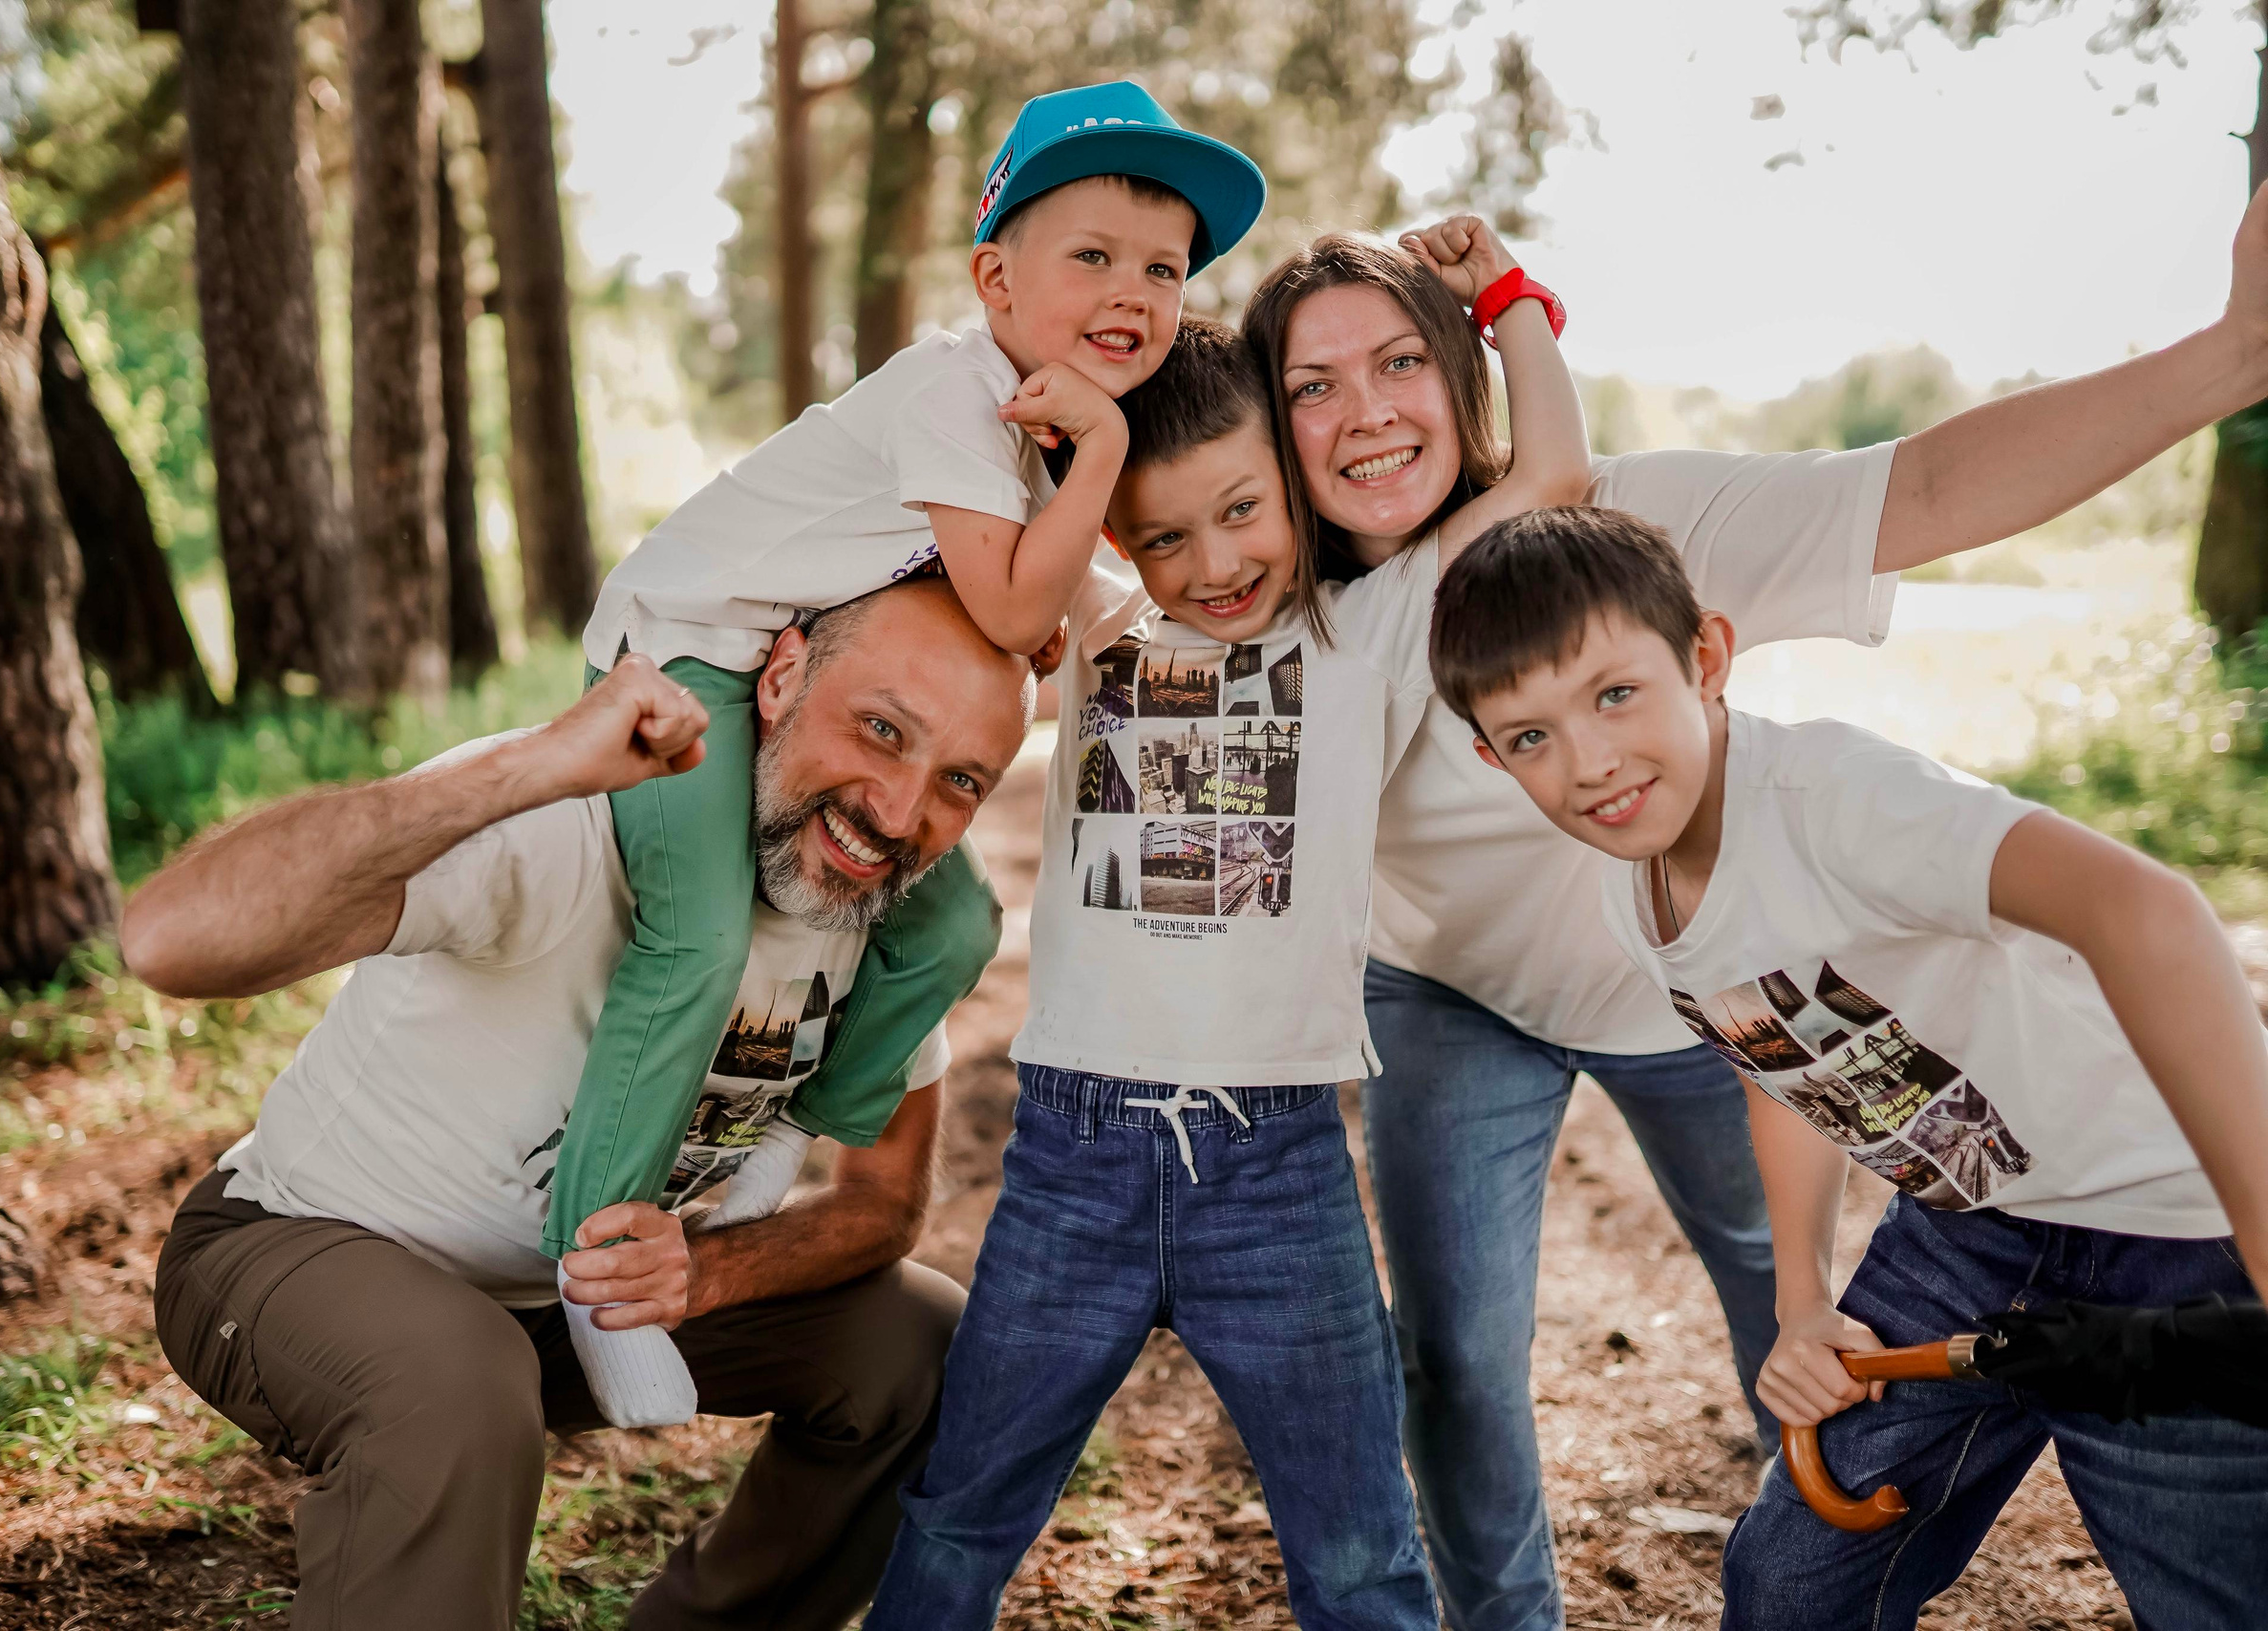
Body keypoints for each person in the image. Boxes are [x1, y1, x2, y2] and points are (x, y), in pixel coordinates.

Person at [1240, 176, 2268, 1630]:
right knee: (1459, 1357)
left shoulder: (1629, 531)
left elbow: (1924, 488)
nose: (1364, 411)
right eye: (1311, 386)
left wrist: (2228, 359)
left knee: (1783, 1300)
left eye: (1400, 360)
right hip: (1484, 992)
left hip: (1728, 1006)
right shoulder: (1295, 615)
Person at [868, 204, 1588, 1631]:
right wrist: (1095, 428)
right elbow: (991, 456)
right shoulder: (1096, 616)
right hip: (1072, 1160)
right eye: (1166, 531)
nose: (1213, 561)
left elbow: (1556, 465)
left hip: (1281, 1174)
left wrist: (1503, 291)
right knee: (961, 1515)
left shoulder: (1368, 631)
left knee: (1363, 1553)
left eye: (1247, 509)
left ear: (1299, 489)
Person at [552, 79, 1267, 1426]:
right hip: (684, 652)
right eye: (1094, 256)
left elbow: (1076, 609)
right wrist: (1108, 448)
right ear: (996, 274)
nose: (1134, 291)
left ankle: (781, 1135)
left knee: (950, 926)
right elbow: (1008, 606)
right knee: (697, 941)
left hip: (799, 648)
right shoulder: (959, 388)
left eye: (1163, 268)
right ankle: (598, 1262)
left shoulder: (1044, 431)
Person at [125, 578, 1035, 1631]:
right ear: (781, 675)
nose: (899, 811)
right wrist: (523, 768)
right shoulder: (568, 825)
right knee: (456, 1383)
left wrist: (700, 1270)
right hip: (300, 1251)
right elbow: (171, 940)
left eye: (959, 780)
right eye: (881, 729)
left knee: (921, 1349)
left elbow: (881, 1202)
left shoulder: (884, 911)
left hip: (562, 1311)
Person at [1431, 504, 2268, 1631]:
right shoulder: (1631, 888)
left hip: (2178, 1238)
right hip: (1965, 1230)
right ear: (1490, 756)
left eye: (1614, 694)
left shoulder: (1834, 803)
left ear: (1705, 658)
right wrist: (1799, 1301)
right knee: (1788, 1586)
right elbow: (1781, 1056)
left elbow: (2150, 914)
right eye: (1529, 736)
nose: (1589, 763)